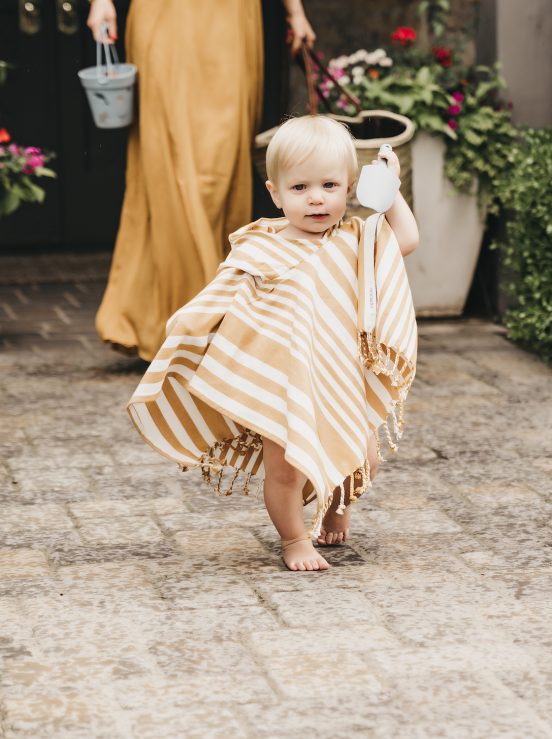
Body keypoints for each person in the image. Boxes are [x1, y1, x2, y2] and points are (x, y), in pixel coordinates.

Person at [127, 115, 419, 571]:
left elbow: (408, 238)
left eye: (329, 185)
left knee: (364, 456)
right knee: (284, 468)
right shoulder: (261, 245)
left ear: (350, 188)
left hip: (340, 376)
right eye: (300, 188)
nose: (317, 198)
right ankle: (294, 539)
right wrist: (190, 330)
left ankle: (338, 507)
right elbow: (224, 298)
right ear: (276, 192)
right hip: (281, 383)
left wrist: (391, 190)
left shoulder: (357, 239)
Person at [87, 0, 315, 361]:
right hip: (167, 4)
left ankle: (215, 313)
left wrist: (294, 8)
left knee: (221, 157)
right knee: (172, 154)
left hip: (235, 9)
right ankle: (175, 319)